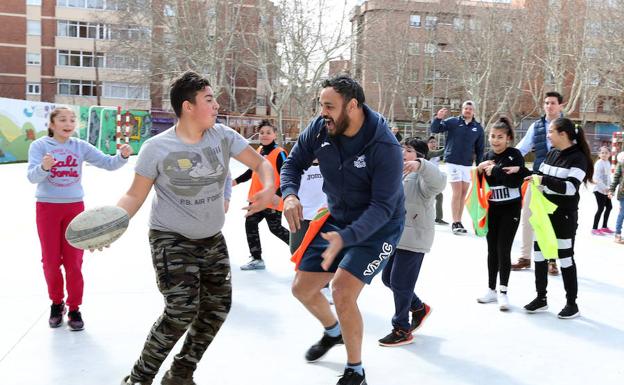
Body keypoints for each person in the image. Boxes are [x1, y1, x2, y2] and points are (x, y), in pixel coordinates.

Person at [116, 71, 275, 385]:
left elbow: (262, 163)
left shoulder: (223, 136)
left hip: (211, 239)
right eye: (209, 99)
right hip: (170, 238)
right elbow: (135, 194)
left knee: (217, 307)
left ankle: (180, 374)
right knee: (181, 308)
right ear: (188, 107)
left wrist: (269, 189)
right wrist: (112, 223)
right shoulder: (156, 148)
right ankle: (139, 379)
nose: (216, 105)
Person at [281, 75, 404, 385]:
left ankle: (355, 370)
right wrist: (291, 194)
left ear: (352, 106)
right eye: (321, 105)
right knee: (302, 289)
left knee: (342, 291)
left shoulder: (384, 145)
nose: (323, 112)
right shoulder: (321, 128)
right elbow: (293, 163)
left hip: (379, 227)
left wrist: (346, 239)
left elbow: (383, 208)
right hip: (338, 218)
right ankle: (333, 332)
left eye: (329, 106)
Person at [27, 106, 132, 331]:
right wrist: (45, 167)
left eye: (72, 119)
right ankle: (57, 304)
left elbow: (108, 163)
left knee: (74, 261)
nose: (68, 123)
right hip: (47, 208)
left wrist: (122, 156)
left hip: (75, 209)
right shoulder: (40, 146)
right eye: (63, 119)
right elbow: (31, 176)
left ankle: (74, 308)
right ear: (52, 124)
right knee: (51, 261)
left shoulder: (80, 146)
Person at [523, 117, 593, 319]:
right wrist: (523, 172)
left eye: (551, 131)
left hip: (563, 217)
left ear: (563, 134)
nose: (548, 135)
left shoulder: (578, 158)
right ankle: (541, 298)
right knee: (539, 255)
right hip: (545, 215)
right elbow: (539, 175)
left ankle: (572, 304)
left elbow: (570, 188)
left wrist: (544, 180)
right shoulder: (552, 153)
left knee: (564, 258)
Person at [378, 138, 445, 347]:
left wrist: (422, 166)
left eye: (408, 151)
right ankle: (418, 308)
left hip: (415, 237)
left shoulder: (423, 178)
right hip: (396, 236)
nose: (403, 153)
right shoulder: (398, 174)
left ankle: (401, 328)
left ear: (419, 156)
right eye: (402, 150)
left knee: (400, 282)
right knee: (388, 279)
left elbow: (440, 182)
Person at [475, 117, 530, 311]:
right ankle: (491, 289)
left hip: (510, 209)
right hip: (492, 208)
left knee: (503, 249)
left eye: (500, 137)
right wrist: (480, 170)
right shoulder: (485, 156)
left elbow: (514, 182)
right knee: (491, 249)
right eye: (492, 136)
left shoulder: (514, 155)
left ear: (508, 138)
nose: (495, 140)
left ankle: (503, 291)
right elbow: (481, 182)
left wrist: (496, 170)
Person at [512, 92, 564, 275]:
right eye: (547, 103)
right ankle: (525, 257)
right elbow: (523, 147)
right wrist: (505, 158)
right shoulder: (536, 126)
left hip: (559, 180)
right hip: (537, 177)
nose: (549, 106)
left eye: (553, 103)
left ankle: (552, 260)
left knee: (553, 221)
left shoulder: (568, 127)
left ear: (561, 106)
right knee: (527, 217)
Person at [233, 120, 290, 270]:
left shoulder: (280, 153)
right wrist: (236, 181)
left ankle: (303, 251)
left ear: (275, 134)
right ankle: (257, 258)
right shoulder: (258, 150)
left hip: (272, 199)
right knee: (250, 223)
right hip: (257, 198)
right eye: (262, 133)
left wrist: (279, 194)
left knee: (275, 228)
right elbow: (251, 171)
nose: (265, 136)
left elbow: (286, 174)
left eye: (268, 133)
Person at [430, 101, 484, 235]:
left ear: (473, 111)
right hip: (453, 161)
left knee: (464, 193)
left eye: (470, 109)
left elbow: (480, 148)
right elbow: (435, 129)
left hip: (467, 163)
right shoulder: (453, 122)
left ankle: (459, 221)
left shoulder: (477, 127)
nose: (467, 110)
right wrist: (438, 118)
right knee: (457, 191)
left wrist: (479, 165)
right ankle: (455, 222)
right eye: (465, 108)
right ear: (462, 109)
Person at [288, 159, 332, 304]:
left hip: (322, 214)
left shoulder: (330, 164)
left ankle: (324, 286)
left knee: (322, 252)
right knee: (295, 248)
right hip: (301, 213)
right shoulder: (298, 166)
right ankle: (305, 278)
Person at [592, 146, 613, 235]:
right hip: (599, 190)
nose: (604, 154)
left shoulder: (608, 162)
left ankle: (604, 227)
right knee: (600, 208)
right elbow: (596, 178)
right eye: (602, 153)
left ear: (610, 154)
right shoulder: (598, 163)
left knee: (609, 207)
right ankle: (594, 228)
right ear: (599, 154)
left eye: (606, 152)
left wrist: (610, 188)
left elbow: (608, 177)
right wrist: (605, 188)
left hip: (606, 190)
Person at [427, 135, 447, 225]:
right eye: (431, 142)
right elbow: (440, 152)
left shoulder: (437, 155)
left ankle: (438, 218)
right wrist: (451, 144)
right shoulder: (428, 153)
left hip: (434, 180)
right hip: (426, 180)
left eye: (434, 142)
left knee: (439, 197)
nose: (433, 144)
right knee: (428, 200)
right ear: (427, 144)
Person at [609, 152, 624, 244]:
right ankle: (617, 235)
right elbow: (616, 178)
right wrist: (611, 190)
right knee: (622, 214)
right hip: (623, 194)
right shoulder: (621, 163)